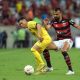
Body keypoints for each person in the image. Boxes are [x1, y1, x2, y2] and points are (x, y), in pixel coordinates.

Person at [43, 8, 80, 75]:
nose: (55, 15)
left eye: (57, 14)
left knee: (63, 51)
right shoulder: (53, 21)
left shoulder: (68, 20)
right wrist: (45, 24)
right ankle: (49, 67)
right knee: (44, 47)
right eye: (54, 14)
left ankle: (71, 70)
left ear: (61, 14)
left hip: (68, 40)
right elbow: (47, 28)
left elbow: (77, 26)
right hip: (59, 41)